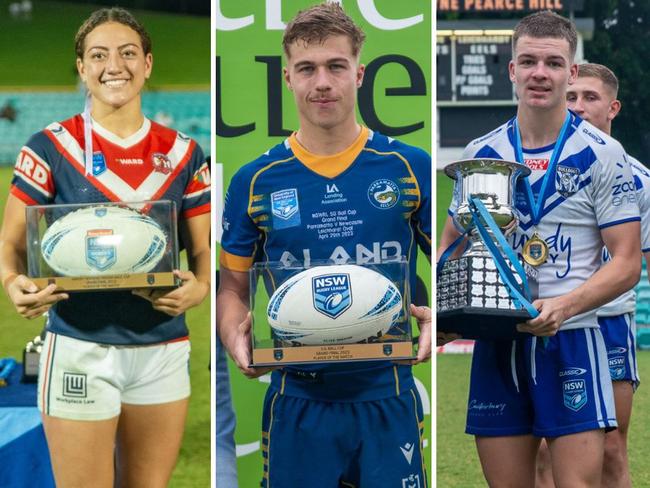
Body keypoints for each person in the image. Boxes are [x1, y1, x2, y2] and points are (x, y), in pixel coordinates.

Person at [216, 3, 431, 486]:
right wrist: (234, 336)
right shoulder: (255, 180)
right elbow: (231, 288)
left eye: (336, 66)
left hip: (388, 393)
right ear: (287, 77)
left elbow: (451, 259)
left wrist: (441, 317)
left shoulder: (408, 167)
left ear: (359, 73)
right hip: (298, 399)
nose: (323, 82)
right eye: (307, 69)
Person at [0, 8, 210, 487]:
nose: (114, 65)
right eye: (99, 55)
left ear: (149, 63)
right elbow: (11, 243)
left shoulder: (184, 153)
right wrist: (14, 283)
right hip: (79, 344)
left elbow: (201, 255)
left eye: (128, 53)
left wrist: (196, 290)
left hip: (163, 348)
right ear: (82, 68)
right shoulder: (50, 146)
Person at [438, 11, 641, 487]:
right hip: (497, 340)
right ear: (512, 70)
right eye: (528, 61)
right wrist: (452, 311)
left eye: (552, 63)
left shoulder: (602, 154)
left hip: (571, 338)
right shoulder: (482, 153)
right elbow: (451, 245)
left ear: (571, 73)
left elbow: (628, 262)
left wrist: (564, 305)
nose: (539, 73)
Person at [534, 63, 650, 488]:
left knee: (612, 446)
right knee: (545, 447)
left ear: (613, 108)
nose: (579, 107)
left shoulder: (639, 180)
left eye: (591, 98)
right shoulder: (533, 170)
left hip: (608, 324)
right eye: (572, 97)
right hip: (550, 321)